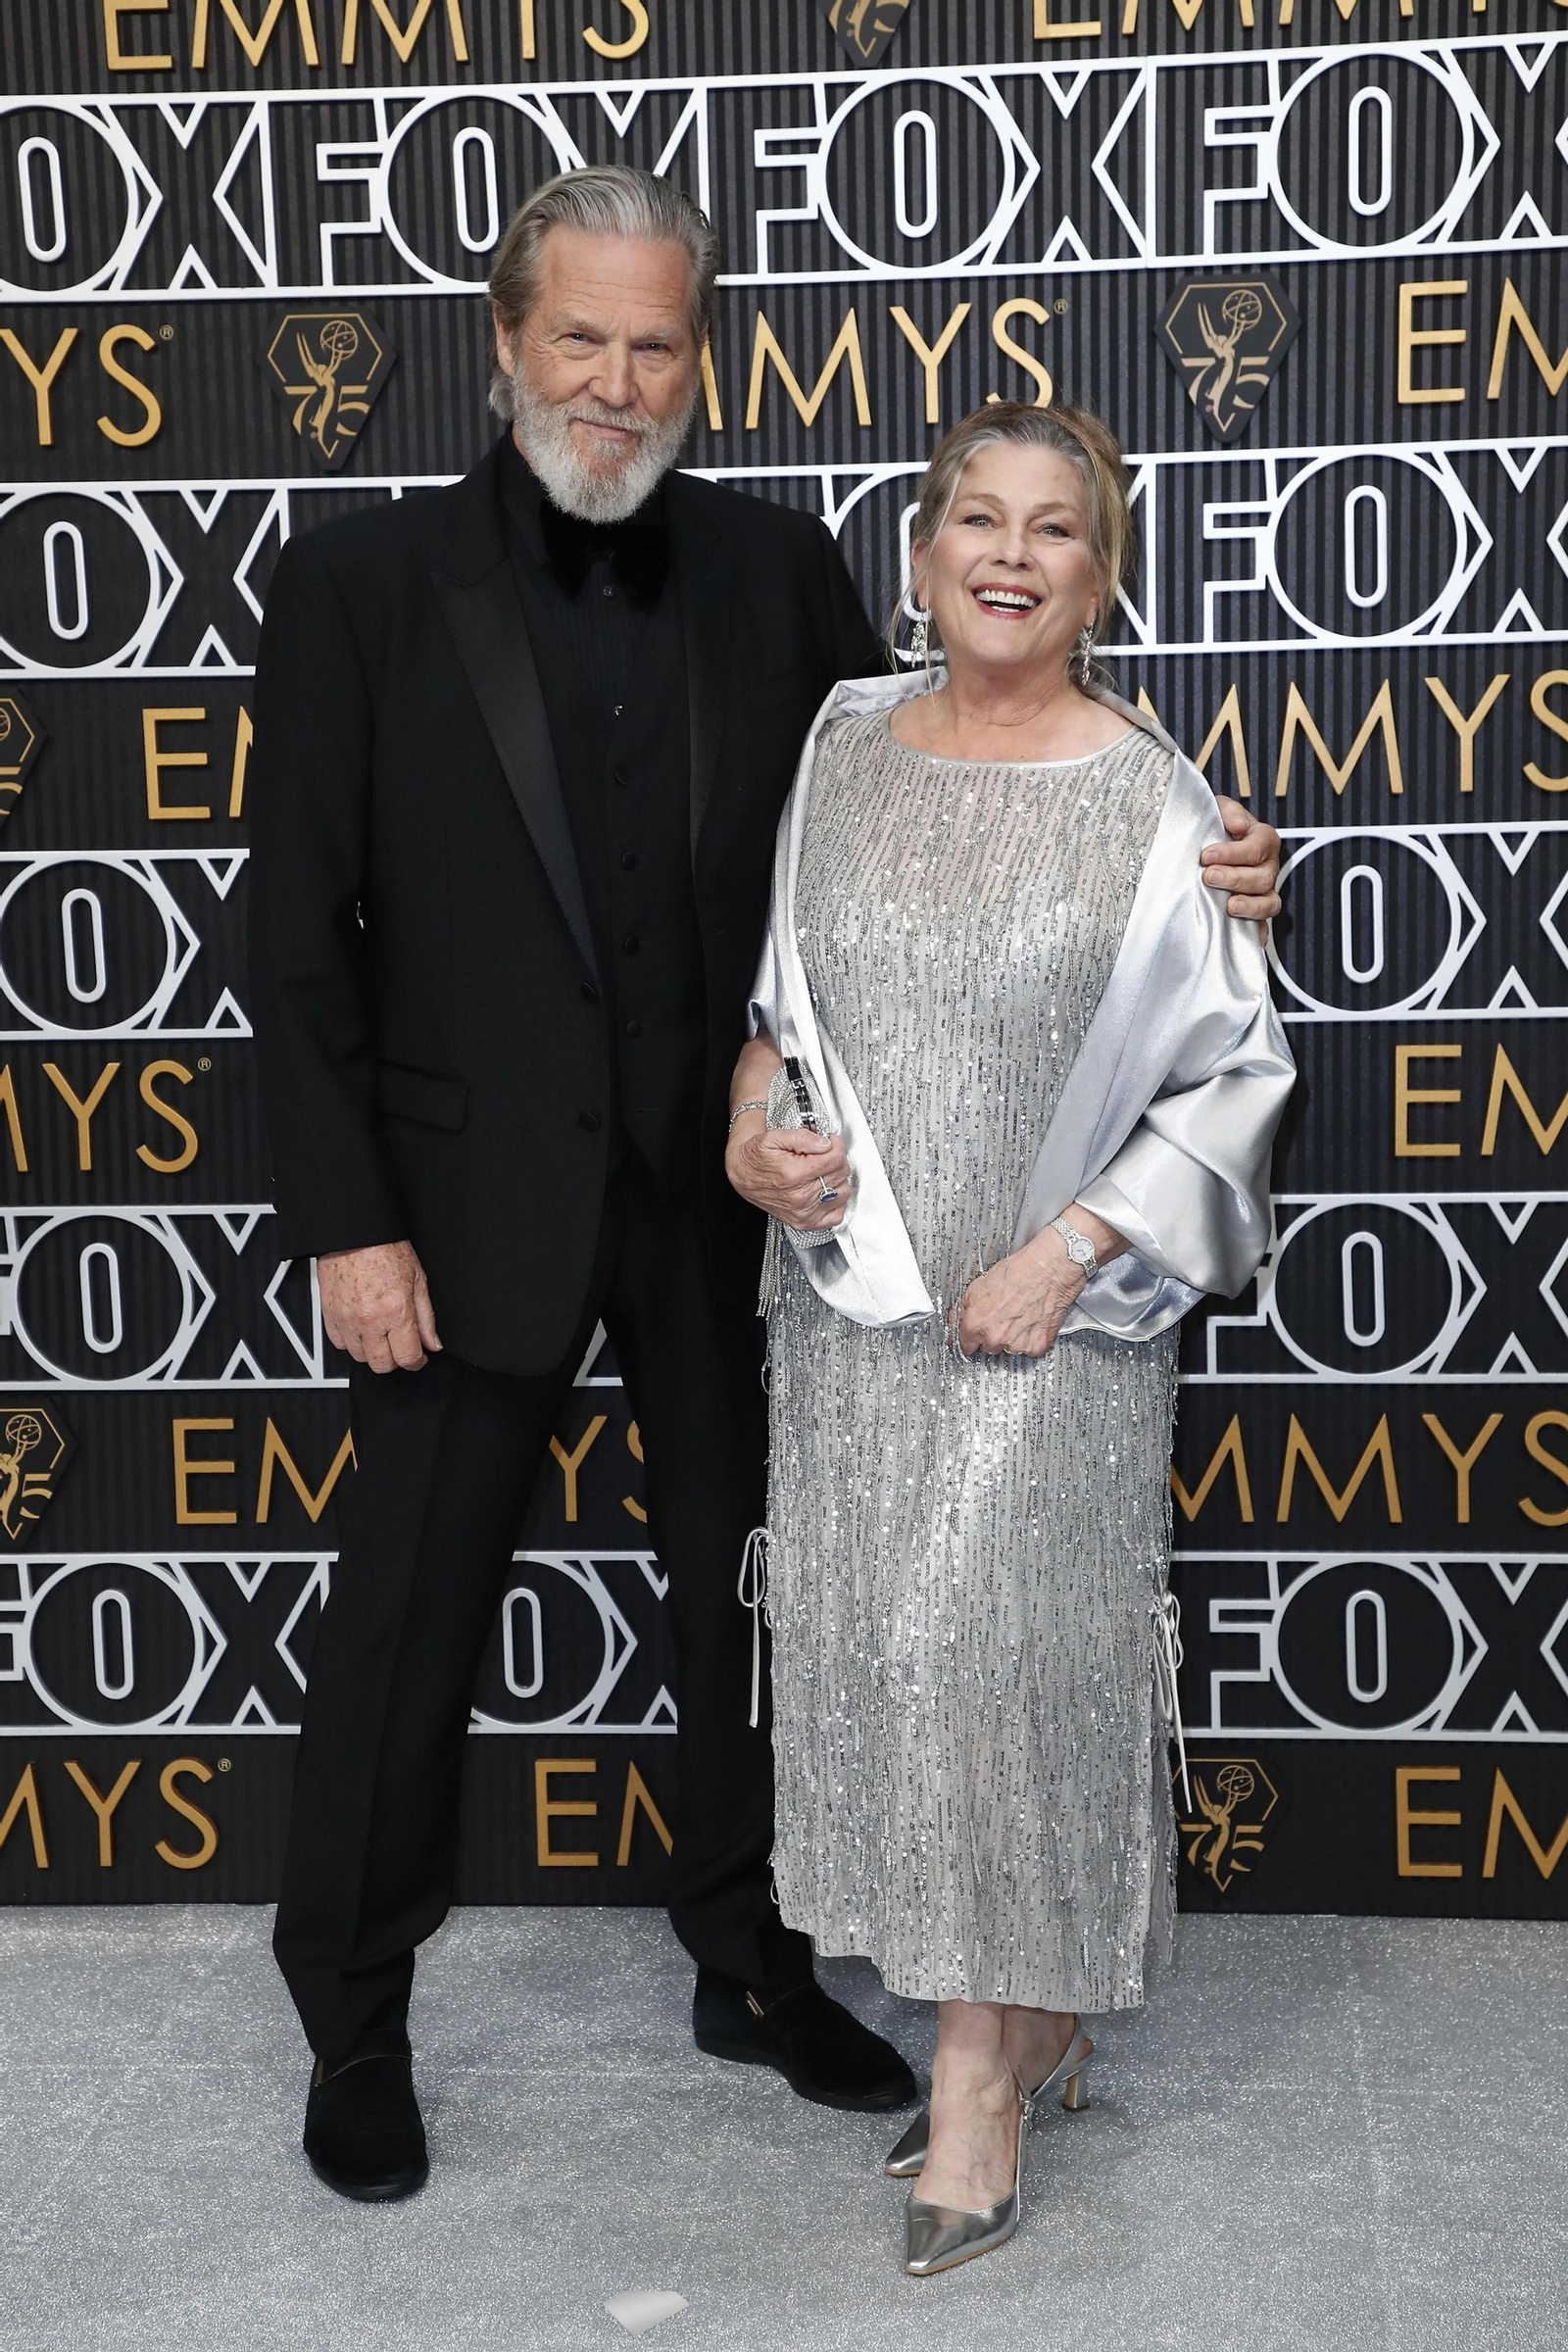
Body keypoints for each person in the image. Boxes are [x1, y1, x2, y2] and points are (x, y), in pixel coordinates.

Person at [248, 164, 1285, 2203]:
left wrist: (1207, 869)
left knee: (753, 1610)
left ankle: (743, 1958)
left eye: (655, 343)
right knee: (405, 1625)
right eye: (581, 338)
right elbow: (294, 939)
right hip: (455, 1220)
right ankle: (351, 2020)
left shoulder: (780, 573)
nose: (616, 382)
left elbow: (933, 792)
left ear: (695, 360)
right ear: (506, 343)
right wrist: (346, 1219)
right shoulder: (364, 588)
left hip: (751, 1216)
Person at [726, 401, 1295, 2278]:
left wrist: (1066, 1251)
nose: (1010, 552)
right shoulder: (834, 745)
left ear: (1102, 576)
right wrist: (754, 1130)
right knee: (898, 1660)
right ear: (919, 549)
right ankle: (1027, 2010)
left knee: (1004, 1663)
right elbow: (776, 1008)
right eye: (979, 516)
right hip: (858, 1313)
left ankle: (975, 2080)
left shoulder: (1161, 800)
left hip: (1058, 1324)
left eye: (1057, 529)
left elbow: (1231, 1082)